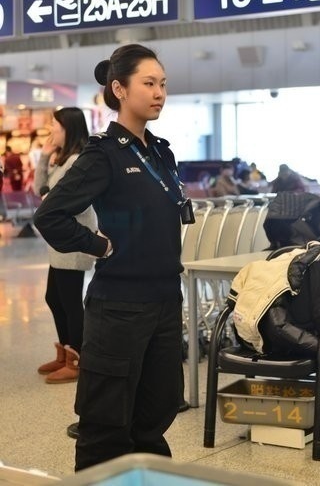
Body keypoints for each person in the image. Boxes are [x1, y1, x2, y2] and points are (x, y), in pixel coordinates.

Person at [34, 44, 187, 471]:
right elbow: (50, 215)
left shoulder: (161, 152)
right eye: (148, 83)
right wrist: (97, 245)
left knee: (155, 415)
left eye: (163, 84)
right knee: (105, 426)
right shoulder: (103, 154)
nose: (159, 93)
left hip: (165, 301)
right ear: (119, 89)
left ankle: (148, 477)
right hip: (120, 307)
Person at [33, 108, 97, 384]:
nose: (51, 130)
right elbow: (40, 189)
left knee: (69, 301)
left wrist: (47, 198)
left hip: (73, 239)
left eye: (54, 126)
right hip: (60, 242)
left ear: (68, 129)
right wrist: (44, 156)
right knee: (54, 297)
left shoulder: (76, 161)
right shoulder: (62, 160)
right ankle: (66, 353)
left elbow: (54, 199)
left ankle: (78, 360)